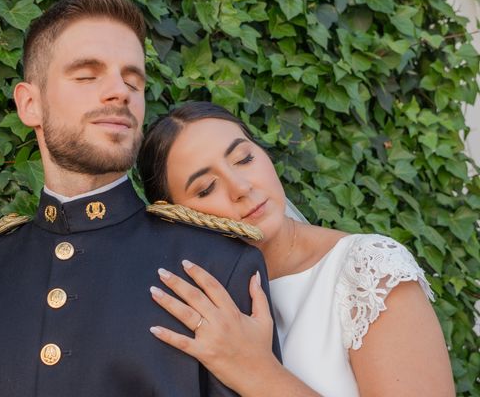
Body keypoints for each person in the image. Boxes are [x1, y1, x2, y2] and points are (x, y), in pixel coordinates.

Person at [0, 0, 280, 396]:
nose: (120, 92)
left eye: (133, 80)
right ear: (30, 105)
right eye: (87, 75)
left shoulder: (216, 267)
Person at [138, 101, 455, 397]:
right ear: (175, 215)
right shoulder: (191, 307)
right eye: (206, 188)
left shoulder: (370, 272)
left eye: (244, 159)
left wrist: (257, 371)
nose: (241, 187)